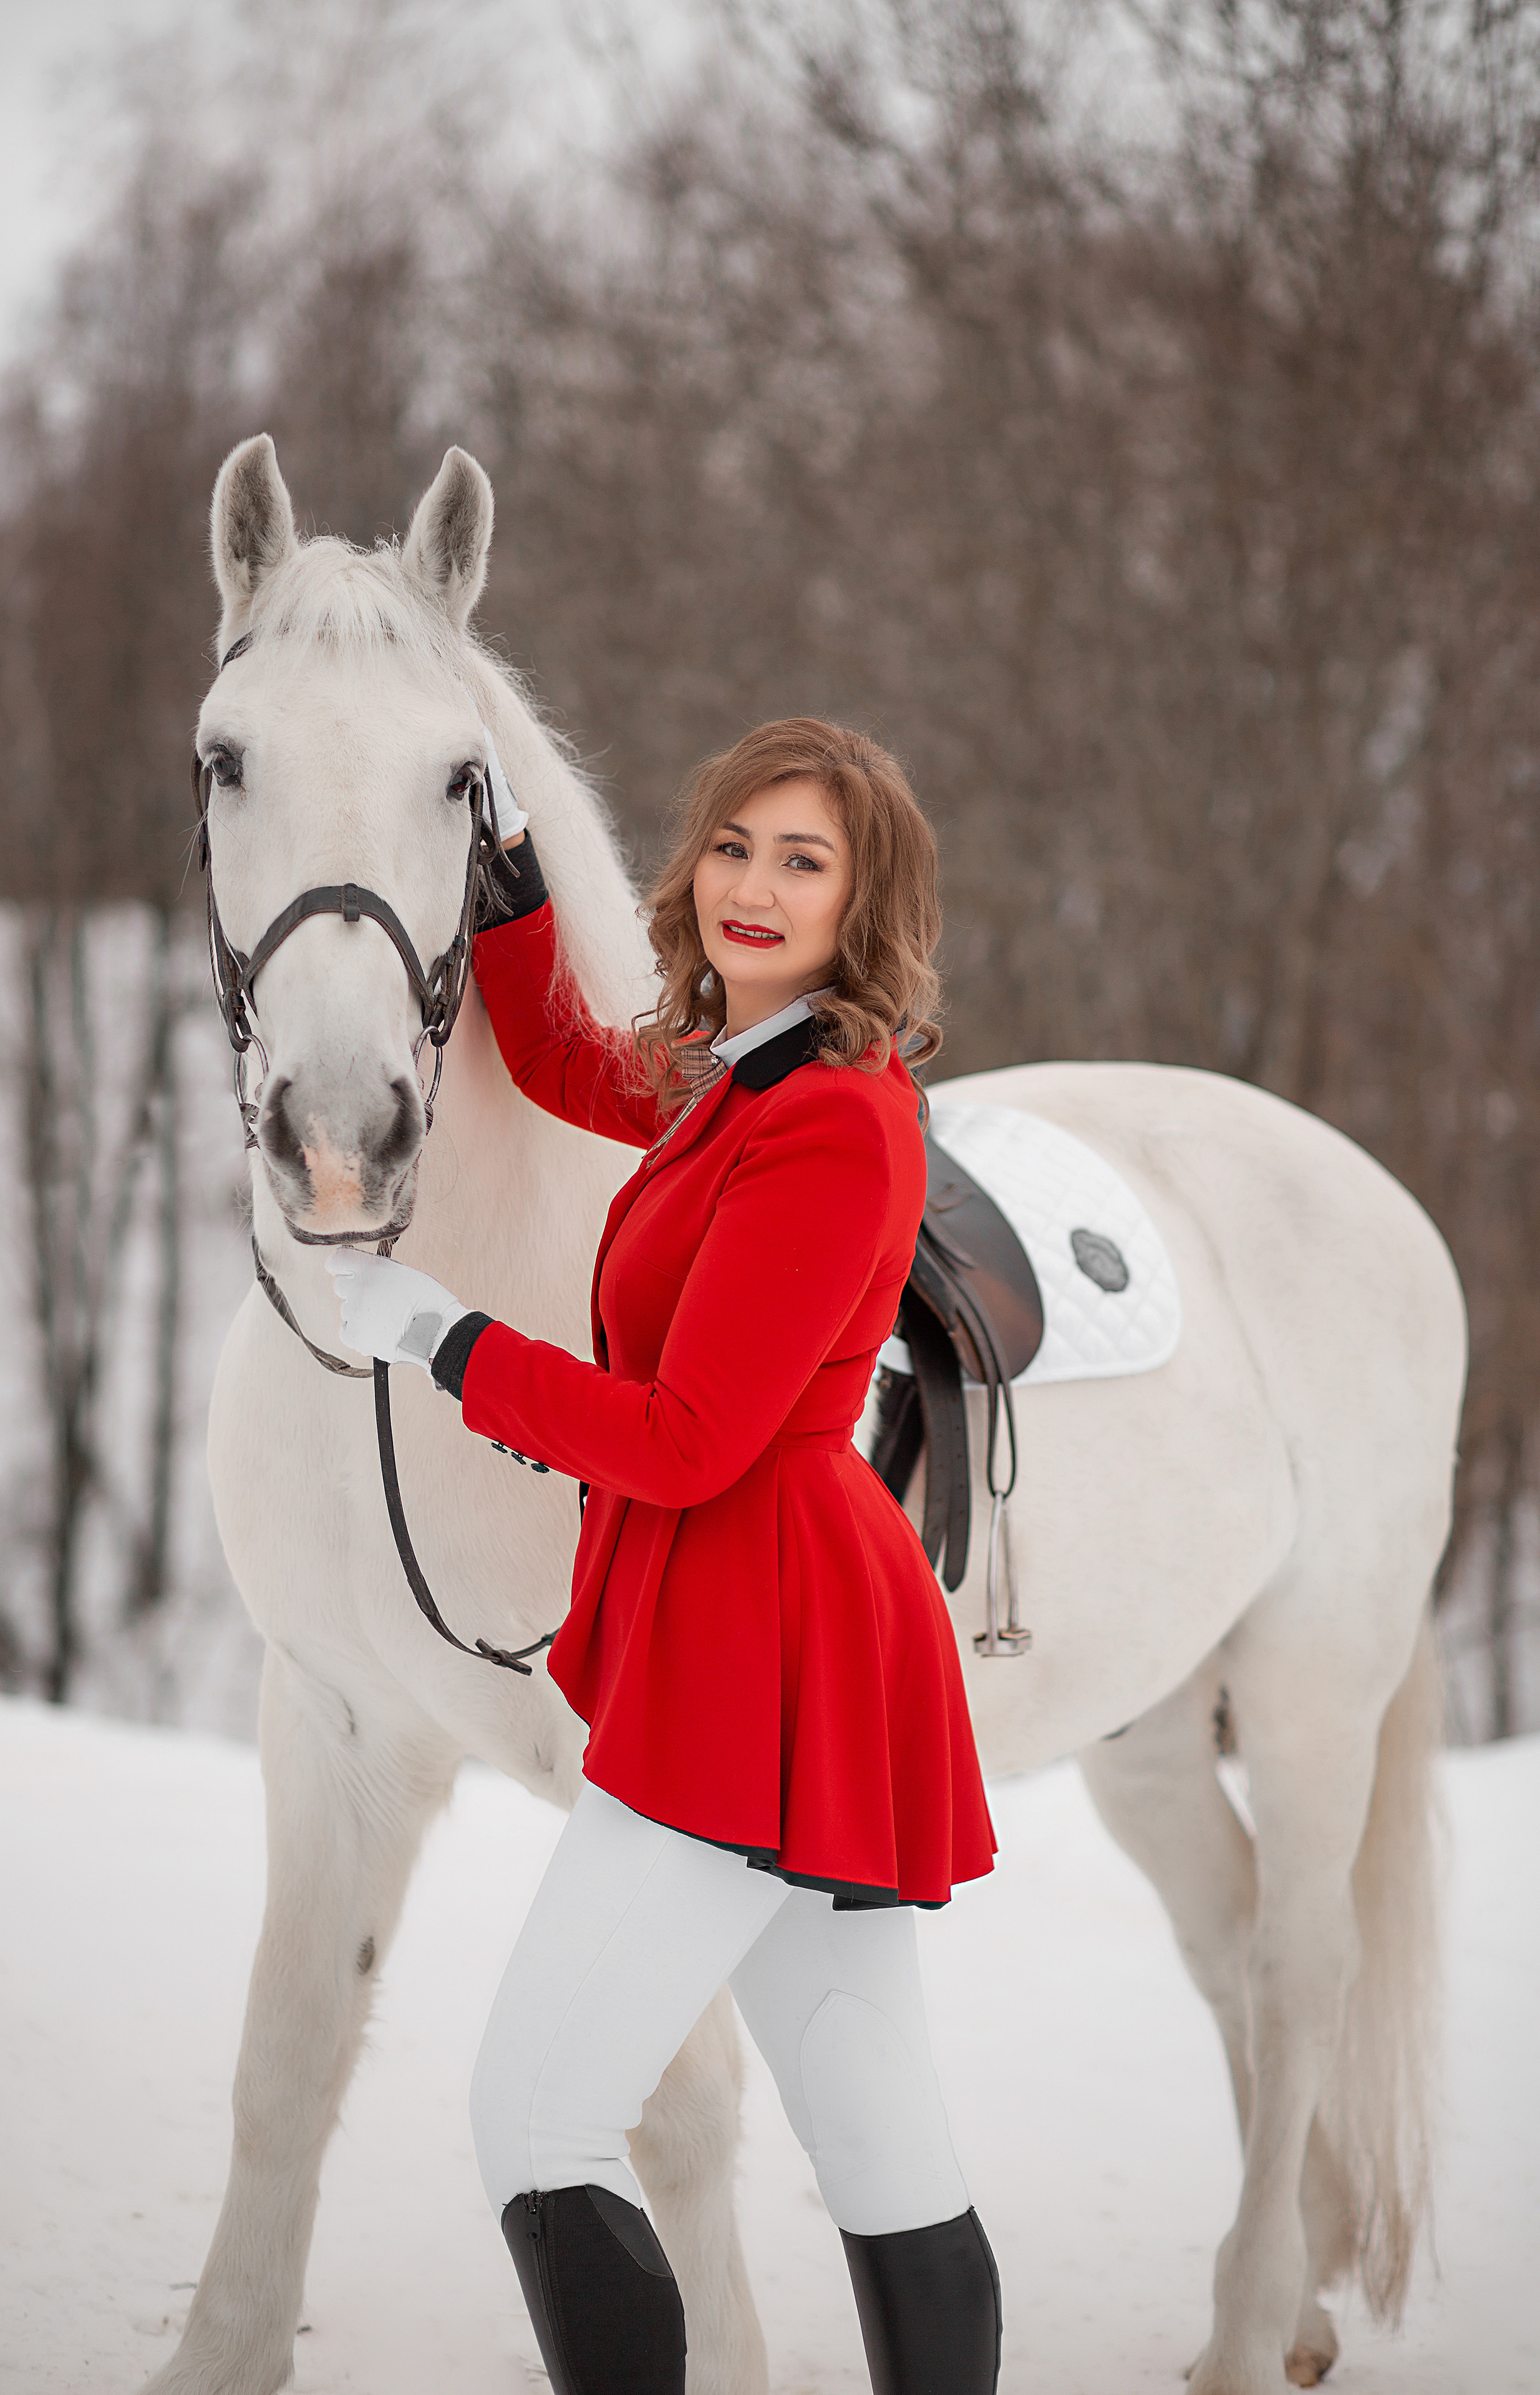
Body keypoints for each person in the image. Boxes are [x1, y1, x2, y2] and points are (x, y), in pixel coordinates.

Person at [327, 718, 1000, 2395]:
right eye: (734, 847)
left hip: (755, 1645)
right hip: (780, 1627)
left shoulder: (831, 1121)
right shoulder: (745, 1076)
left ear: (865, 904)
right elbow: (579, 1071)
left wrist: (449, 1340)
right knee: (878, 2128)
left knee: (537, 2115)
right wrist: (507, 901)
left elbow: (691, 1438)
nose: (753, 887)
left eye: (804, 862)